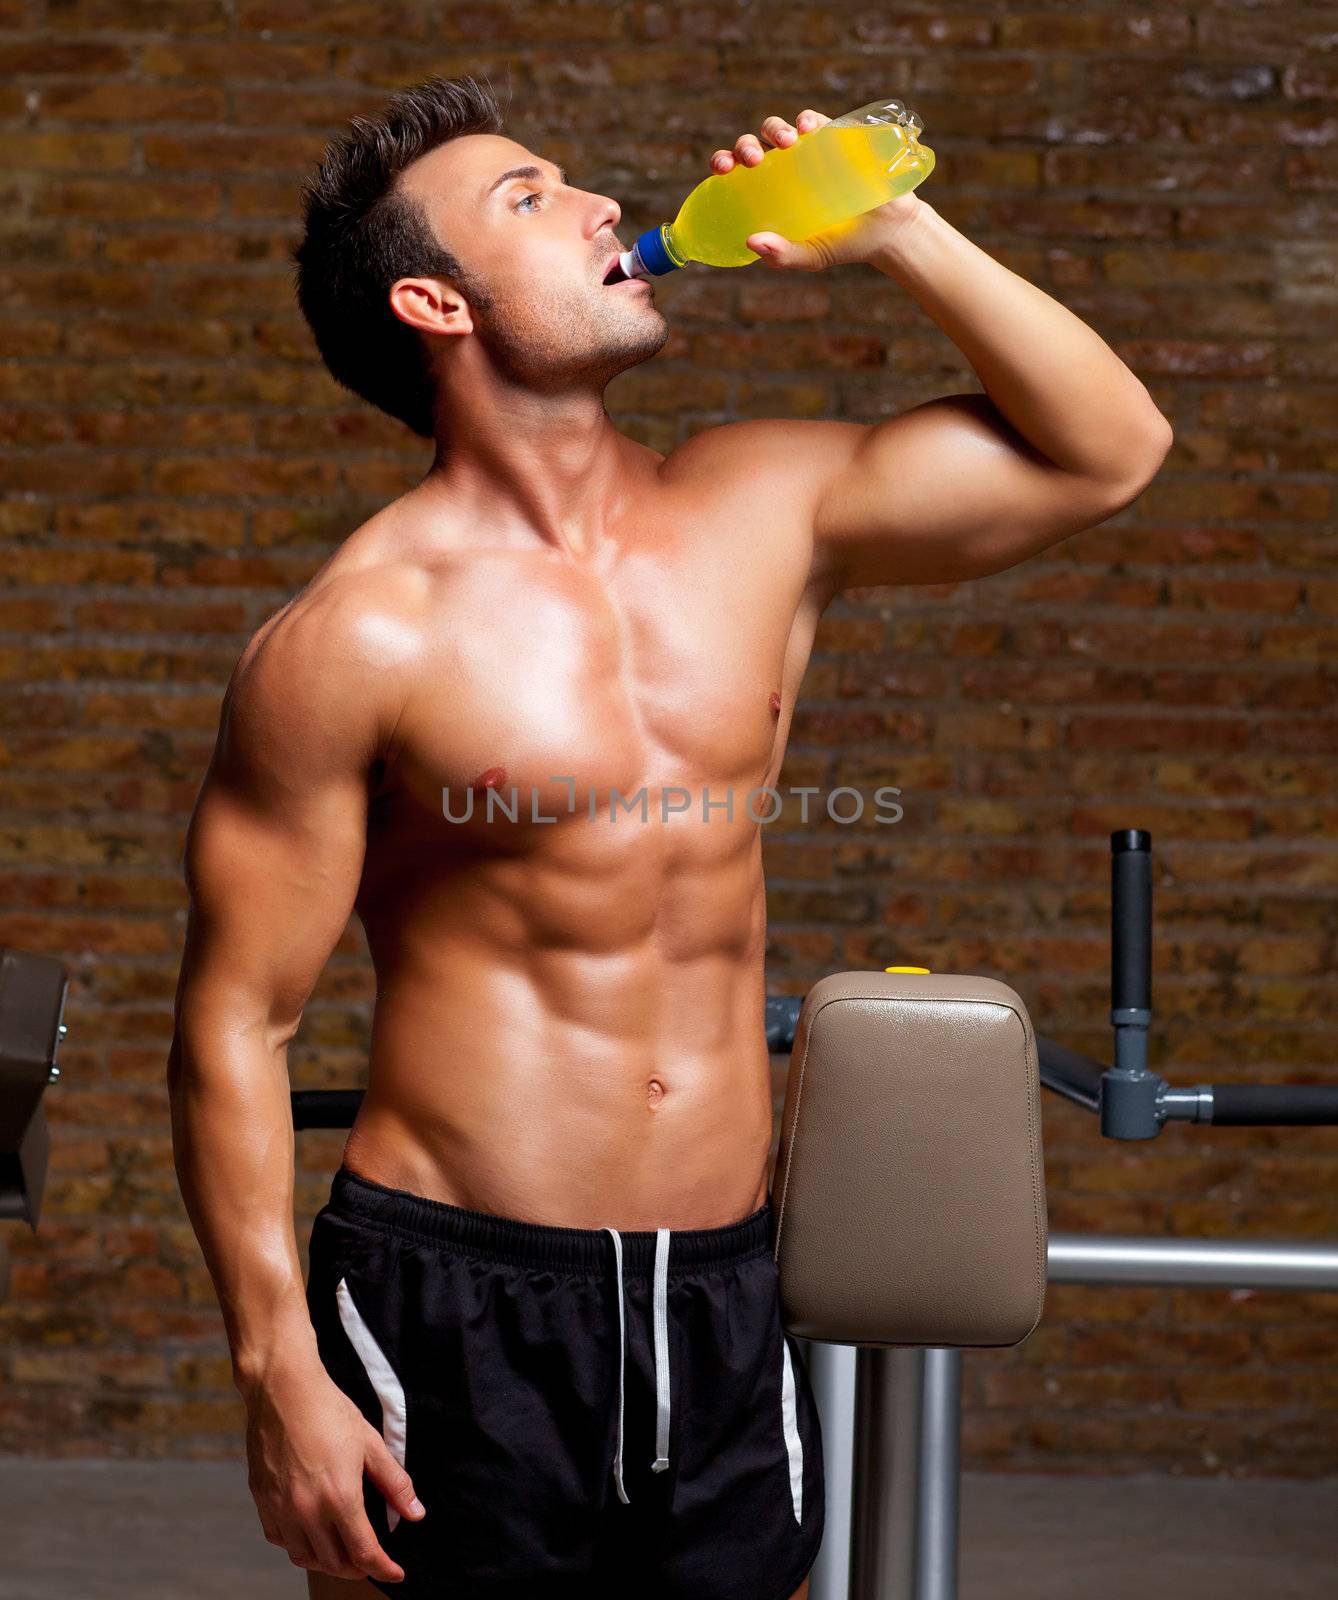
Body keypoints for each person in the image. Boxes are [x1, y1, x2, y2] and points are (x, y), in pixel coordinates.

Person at [166, 74, 1172, 1600]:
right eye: (528, 198)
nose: (596, 208)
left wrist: (901, 231)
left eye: (574, 179)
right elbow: (238, 1021)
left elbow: (1107, 449)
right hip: (458, 1289)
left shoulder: (762, 502)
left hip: (719, 1279)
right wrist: (275, 1372)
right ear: (435, 302)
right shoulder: (358, 634)